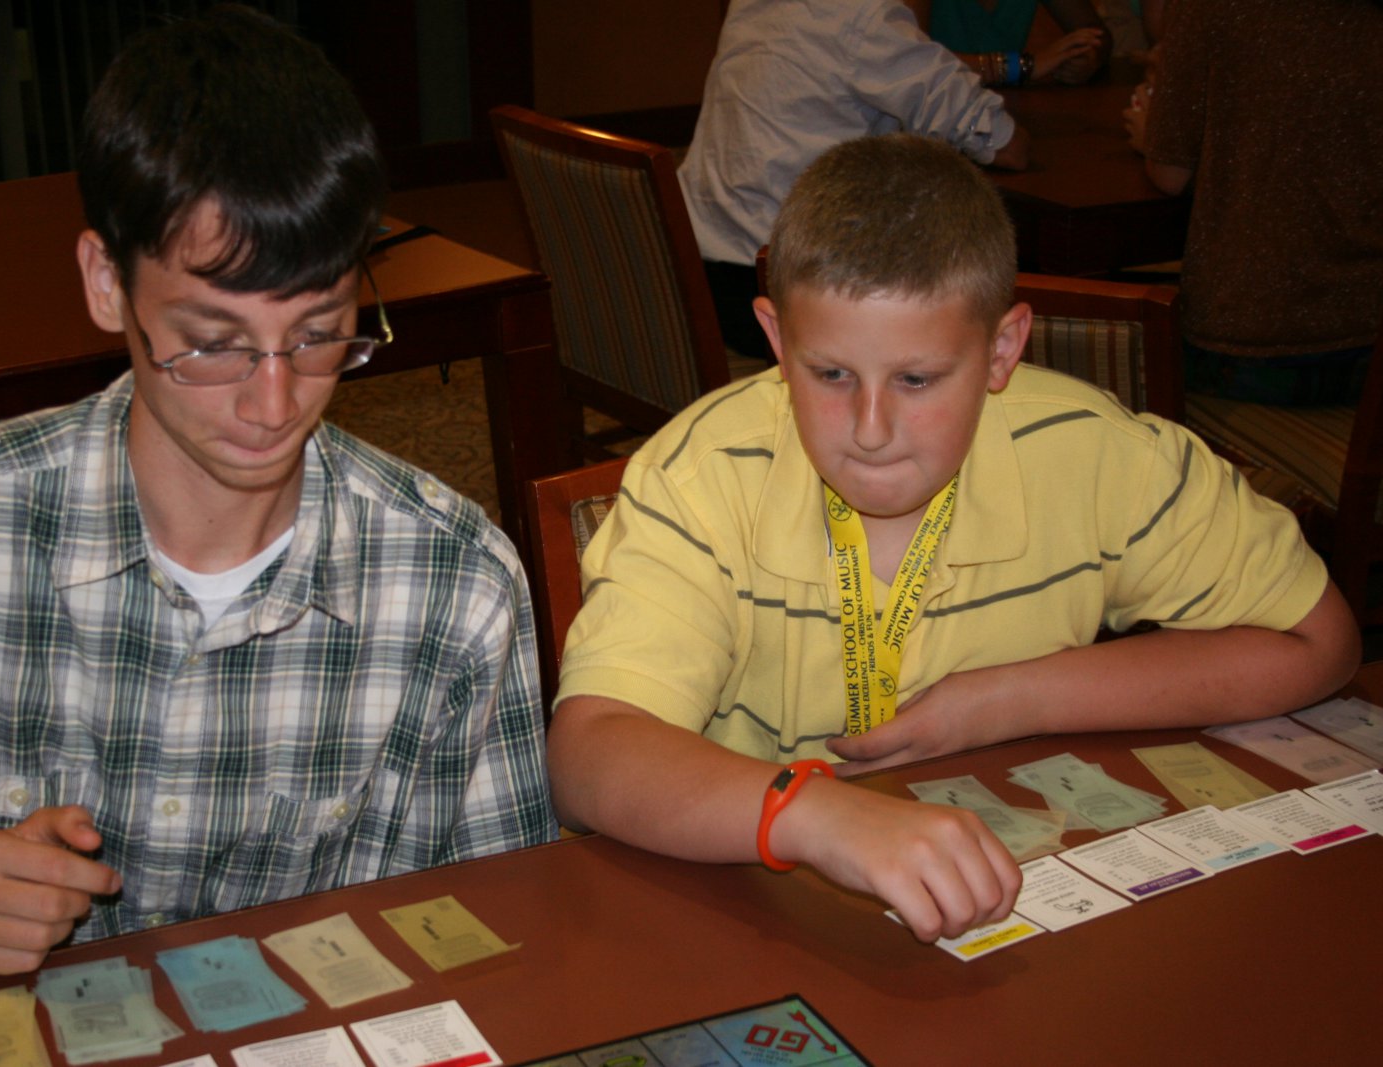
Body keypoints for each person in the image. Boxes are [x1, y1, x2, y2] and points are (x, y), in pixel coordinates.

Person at [0, 5, 555, 988]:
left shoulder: (455, 582)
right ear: (106, 282)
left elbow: (494, 913)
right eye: (212, 342)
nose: (273, 403)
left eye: (319, 333)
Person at [550, 133, 1360, 943]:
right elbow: (588, 755)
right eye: (830, 374)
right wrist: (814, 811)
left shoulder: (1104, 456)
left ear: (1002, 349)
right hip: (752, 907)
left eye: (916, 379)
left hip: (1007, 899)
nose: (871, 429)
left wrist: (1013, 698)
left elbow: (1321, 642)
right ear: (776, 337)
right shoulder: (698, 478)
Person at [678, 0, 1031, 364]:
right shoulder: (861, 16)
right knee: (970, 287)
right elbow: (1005, 144)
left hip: (702, 273)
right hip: (788, 293)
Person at [1124, 0, 1383, 405]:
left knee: (1105, 369)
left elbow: (1170, 175)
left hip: (1250, 344)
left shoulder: (1212, 8)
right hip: (1369, 346)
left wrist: (1149, 135)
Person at [910, 0, 1112, 86]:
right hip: (929, 118)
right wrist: (1023, 65)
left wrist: (1086, 55)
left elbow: (1099, 35)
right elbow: (913, 59)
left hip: (1004, 113)